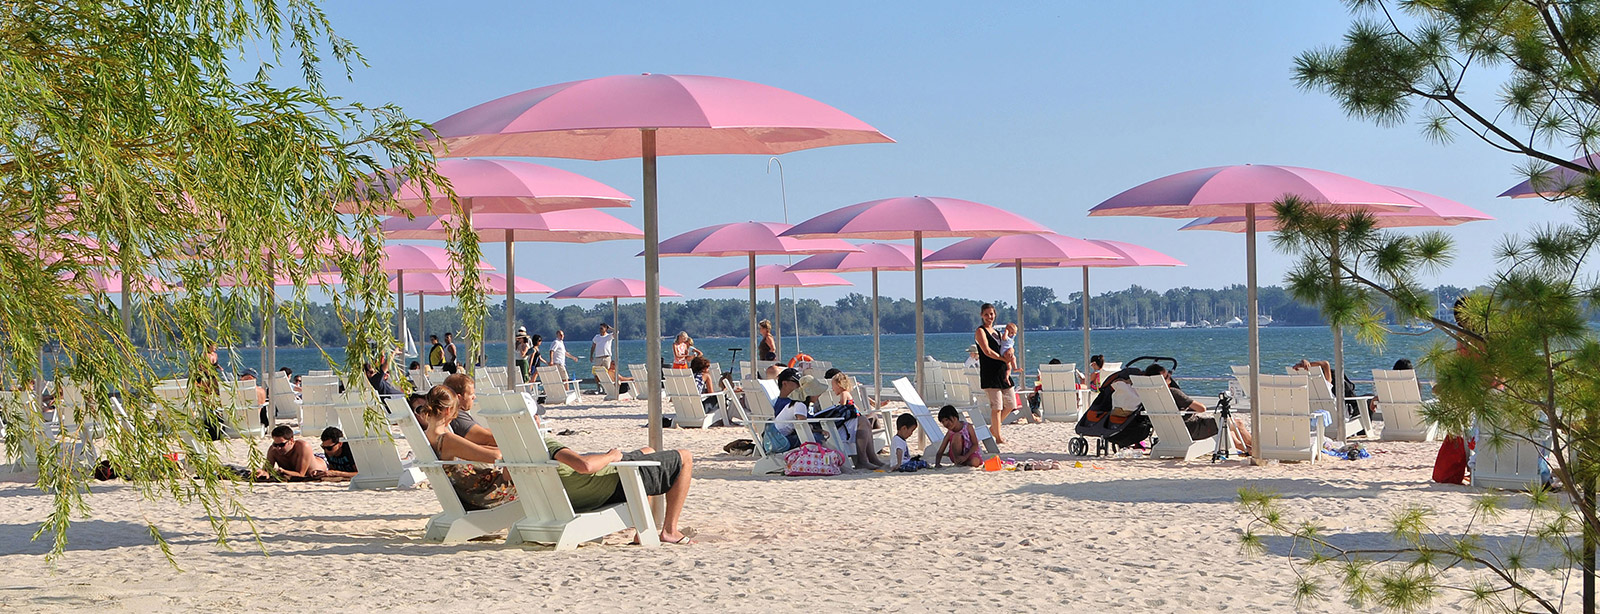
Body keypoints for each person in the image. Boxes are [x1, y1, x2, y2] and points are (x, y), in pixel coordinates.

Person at [545, 436, 696, 545]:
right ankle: (670, 531)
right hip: (614, 484)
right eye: (536, 416)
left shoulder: (525, 452)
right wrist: (610, 456)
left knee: (648, 450)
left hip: (571, 499)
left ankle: (643, 531)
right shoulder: (546, 443)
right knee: (685, 457)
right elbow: (585, 466)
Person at [414, 385, 515, 511]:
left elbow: (474, 449)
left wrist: (499, 448)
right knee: (531, 481)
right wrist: (511, 447)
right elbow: (495, 457)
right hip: (483, 495)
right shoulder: (447, 440)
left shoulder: (428, 436)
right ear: (448, 410)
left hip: (469, 494)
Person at [1145, 364, 1252, 453]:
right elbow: (1202, 408)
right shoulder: (1174, 392)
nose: (1170, 378)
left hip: (1170, 433)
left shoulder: (1148, 396)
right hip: (1194, 429)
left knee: (1229, 431)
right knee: (1237, 423)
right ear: (1162, 379)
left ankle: (1247, 449)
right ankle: (1256, 447)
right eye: (1167, 376)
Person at [973, 302, 1016, 445]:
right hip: (990, 374)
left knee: (1010, 404)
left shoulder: (997, 333)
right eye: (986, 314)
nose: (989, 317)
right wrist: (1001, 358)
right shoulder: (980, 331)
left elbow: (1007, 346)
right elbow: (987, 351)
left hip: (1002, 372)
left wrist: (1009, 358)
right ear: (982, 315)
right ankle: (998, 437)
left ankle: (993, 428)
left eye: (991, 314)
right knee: (996, 407)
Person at [827, 371, 886, 470]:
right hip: (840, 429)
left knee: (865, 421)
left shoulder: (843, 394)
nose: (832, 389)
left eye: (833, 386)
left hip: (844, 425)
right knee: (863, 420)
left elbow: (843, 406)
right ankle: (865, 460)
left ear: (838, 385)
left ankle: (870, 458)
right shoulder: (846, 393)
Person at [442, 373, 498, 446]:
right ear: (459, 398)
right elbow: (488, 439)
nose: (474, 397)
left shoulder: (455, 414)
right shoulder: (457, 417)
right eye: (471, 394)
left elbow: (483, 431)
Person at [255, 425, 327, 481]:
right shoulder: (273, 450)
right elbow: (267, 470)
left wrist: (283, 471)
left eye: (282, 445)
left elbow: (301, 474)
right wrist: (262, 472)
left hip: (324, 461)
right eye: (275, 444)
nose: (278, 448)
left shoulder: (303, 447)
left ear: (291, 441)